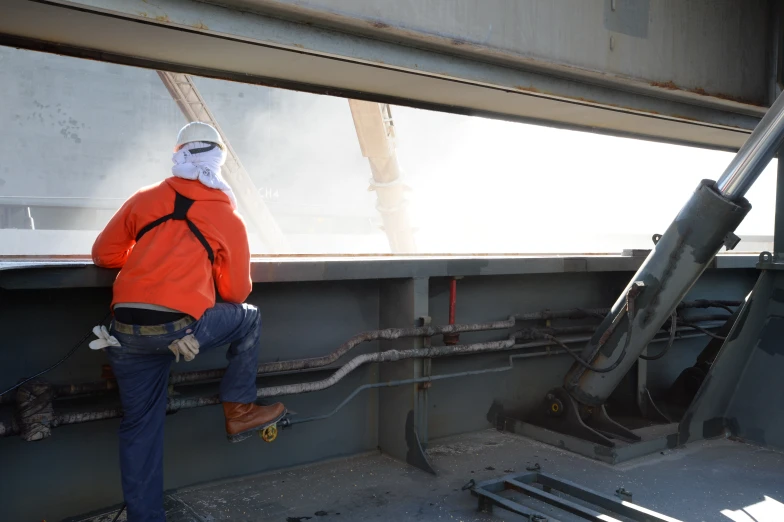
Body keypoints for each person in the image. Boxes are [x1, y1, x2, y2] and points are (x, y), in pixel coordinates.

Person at [91, 122, 285, 522]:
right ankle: (239, 409)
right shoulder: (226, 215)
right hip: (182, 330)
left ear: (178, 153)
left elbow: (103, 255)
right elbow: (236, 293)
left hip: (124, 331)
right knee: (249, 319)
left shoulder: (144, 199)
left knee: (140, 426)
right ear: (219, 162)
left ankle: (145, 518)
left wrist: (151, 261)